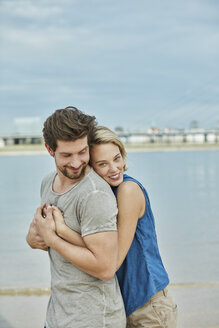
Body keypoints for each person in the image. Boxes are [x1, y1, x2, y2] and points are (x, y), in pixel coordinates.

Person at [49, 126, 178, 328]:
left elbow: (111, 259)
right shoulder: (101, 195)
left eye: (117, 158)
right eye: (102, 164)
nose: (114, 168)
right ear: (89, 167)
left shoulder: (128, 190)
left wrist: (61, 232)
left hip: (148, 305)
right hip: (120, 305)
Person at [26, 107, 126, 328]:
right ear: (49, 149)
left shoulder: (94, 194)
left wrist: (53, 239)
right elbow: (38, 237)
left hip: (94, 320)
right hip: (57, 316)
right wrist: (34, 236)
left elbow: (105, 268)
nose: (76, 162)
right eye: (66, 155)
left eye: (82, 152)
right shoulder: (47, 182)